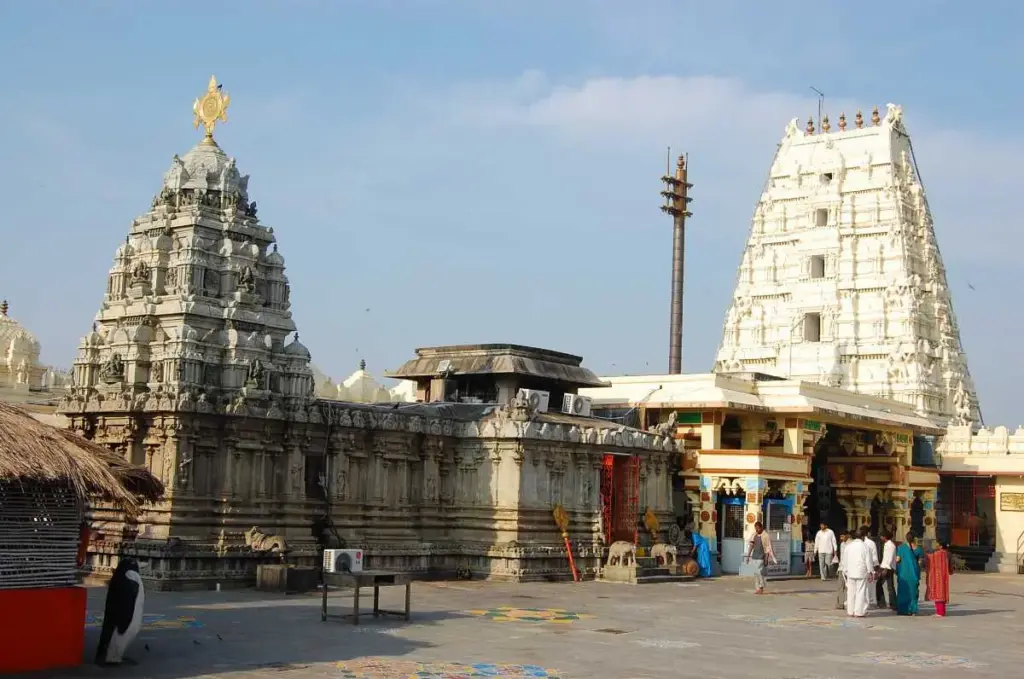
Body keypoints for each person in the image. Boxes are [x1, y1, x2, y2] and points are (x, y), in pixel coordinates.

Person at [841, 526, 875, 617]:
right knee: (860, 592)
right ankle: (859, 612)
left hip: (850, 572)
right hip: (861, 572)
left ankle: (850, 611)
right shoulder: (865, 547)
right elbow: (868, 561)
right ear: (863, 537)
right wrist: (871, 571)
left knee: (851, 592)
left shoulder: (849, 546)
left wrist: (845, 570)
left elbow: (845, 560)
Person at [895, 532, 924, 615]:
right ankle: (913, 609)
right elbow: (920, 563)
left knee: (903, 591)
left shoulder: (901, 548)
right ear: (914, 538)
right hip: (914, 573)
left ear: (906, 538)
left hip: (903, 574)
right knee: (913, 592)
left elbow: (897, 560)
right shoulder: (919, 549)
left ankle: (903, 610)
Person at [744, 521, 777, 595]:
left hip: (761, 557)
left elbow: (768, 548)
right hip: (755, 556)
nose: (757, 530)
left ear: (761, 528)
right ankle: (758, 588)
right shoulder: (754, 535)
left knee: (759, 572)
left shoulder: (766, 536)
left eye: (758, 528)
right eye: (756, 529)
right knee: (756, 573)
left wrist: (766, 558)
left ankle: (761, 587)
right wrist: (748, 556)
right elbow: (751, 546)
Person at [926, 541, 954, 616]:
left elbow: (929, 558)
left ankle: (940, 612)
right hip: (944, 576)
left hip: (937, 576)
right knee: (942, 593)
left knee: (938, 593)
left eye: (937, 544)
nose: (936, 545)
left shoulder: (937, 554)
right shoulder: (948, 553)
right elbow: (950, 566)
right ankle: (942, 611)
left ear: (941, 546)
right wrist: (950, 571)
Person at [877, 532, 897, 610]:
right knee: (888, 586)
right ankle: (889, 603)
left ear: (884, 537)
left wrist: (885, 568)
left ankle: (889, 603)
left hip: (888, 568)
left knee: (888, 586)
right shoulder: (886, 545)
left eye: (881, 536)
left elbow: (889, 557)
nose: (881, 538)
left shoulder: (891, 545)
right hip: (885, 566)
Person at [863, 527, 881, 608]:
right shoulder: (871, 543)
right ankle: (871, 601)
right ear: (868, 533)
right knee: (871, 586)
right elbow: (874, 557)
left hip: (861, 567)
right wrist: (876, 567)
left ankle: (866, 601)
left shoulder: (856, 544)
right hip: (870, 566)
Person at [834, 530, 850, 610]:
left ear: (847, 535)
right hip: (842, 568)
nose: (841, 538)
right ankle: (840, 603)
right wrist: (839, 568)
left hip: (849, 569)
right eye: (840, 537)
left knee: (849, 588)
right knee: (840, 587)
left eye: (843, 536)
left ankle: (848, 603)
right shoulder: (842, 544)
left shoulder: (851, 544)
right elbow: (842, 557)